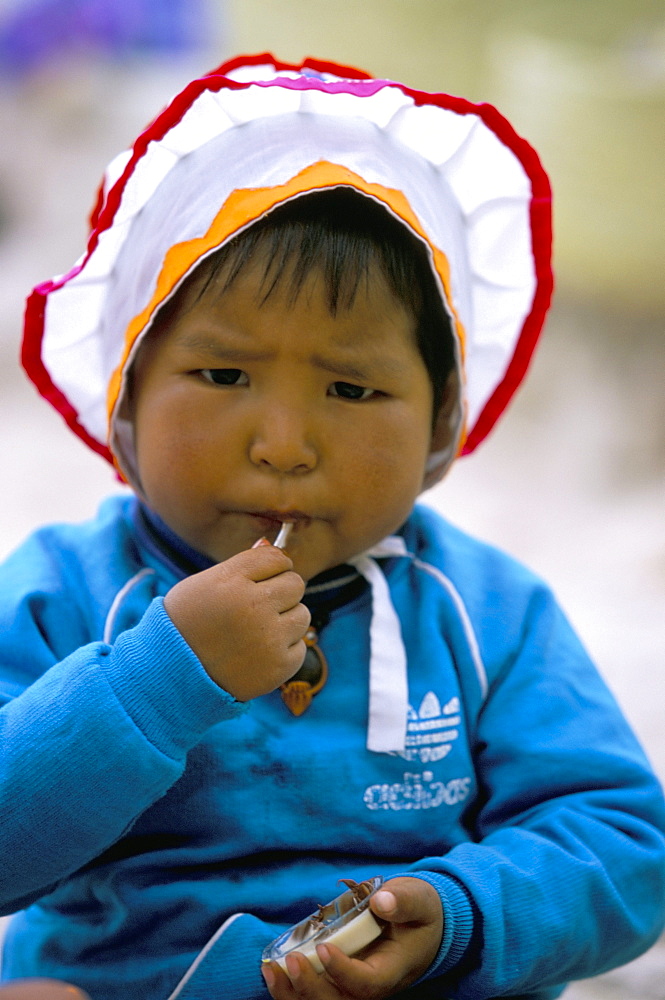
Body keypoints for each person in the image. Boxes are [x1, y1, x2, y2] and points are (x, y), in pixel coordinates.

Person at [1, 53, 664, 1000]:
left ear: (440, 432)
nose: (283, 443)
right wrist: (159, 680)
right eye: (223, 376)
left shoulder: (488, 612)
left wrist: (463, 914)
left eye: (351, 388)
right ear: (124, 409)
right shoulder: (60, 588)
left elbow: (624, 850)